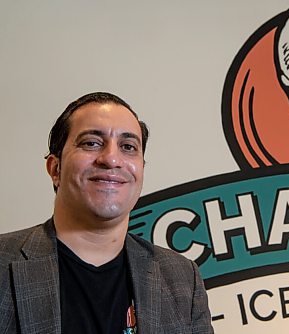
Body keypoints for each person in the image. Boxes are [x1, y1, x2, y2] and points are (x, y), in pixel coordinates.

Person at [0, 92, 214, 334]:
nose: (112, 159)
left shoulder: (182, 278)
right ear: (55, 168)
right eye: (91, 143)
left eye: (128, 147)